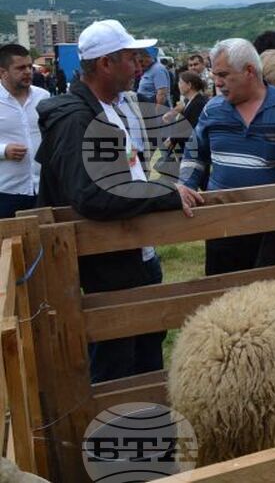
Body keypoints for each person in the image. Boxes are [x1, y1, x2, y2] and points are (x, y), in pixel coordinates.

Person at [35, 20, 202, 382]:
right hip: (109, 264)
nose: (139, 64)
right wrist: (163, 193)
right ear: (106, 63)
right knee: (117, 364)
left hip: (133, 254)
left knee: (143, 352)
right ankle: (121, 436)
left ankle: (147, 431)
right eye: (130, 57)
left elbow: (122, 176)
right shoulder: (77, 119)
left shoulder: (110, 108)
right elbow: (94, 194)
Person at [181, 39, 275, 275]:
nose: (217, 82)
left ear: (249, 71)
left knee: (272, 297)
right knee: (227, 296)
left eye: (223, 75)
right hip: (223, 224)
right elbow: (194, 154)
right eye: (214, 74)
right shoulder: (213, 109)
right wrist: (186, 185)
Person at [0, 44, 49, 218]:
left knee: (48, 243)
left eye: (29, 66)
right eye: (20, 68)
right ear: (2, 72)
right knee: (8, 245)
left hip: (43, 189)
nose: (28, 71)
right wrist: (3, 150)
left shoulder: (43, 97)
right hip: (7, 192)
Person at [159, 70, 208, 160]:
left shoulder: (198, 103)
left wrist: (172, 140)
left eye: (180, 82)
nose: (178, 85)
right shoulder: (189, 101)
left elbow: (189, 129)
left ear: (189, 85)